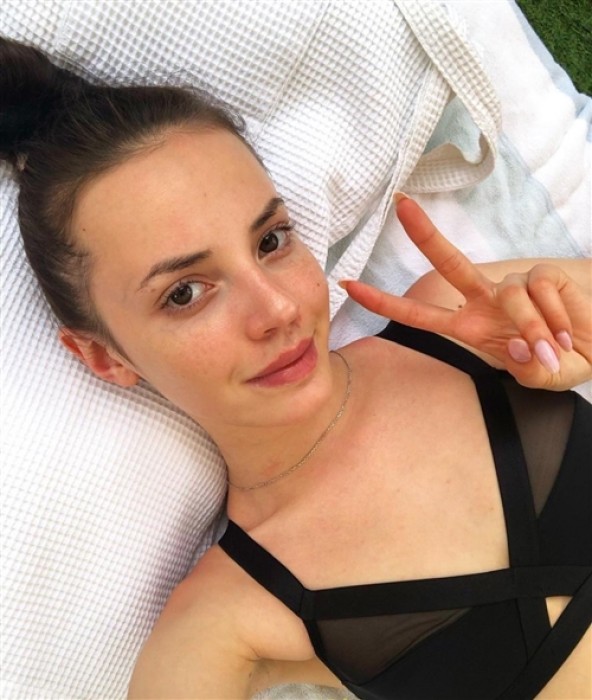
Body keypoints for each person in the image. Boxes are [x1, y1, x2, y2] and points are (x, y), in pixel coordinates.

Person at [1, 37, 590, 700]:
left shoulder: (464, 316)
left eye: (271, 240)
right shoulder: (228, 619)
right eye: (185, 293)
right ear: (104, 357)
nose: (278, 309)